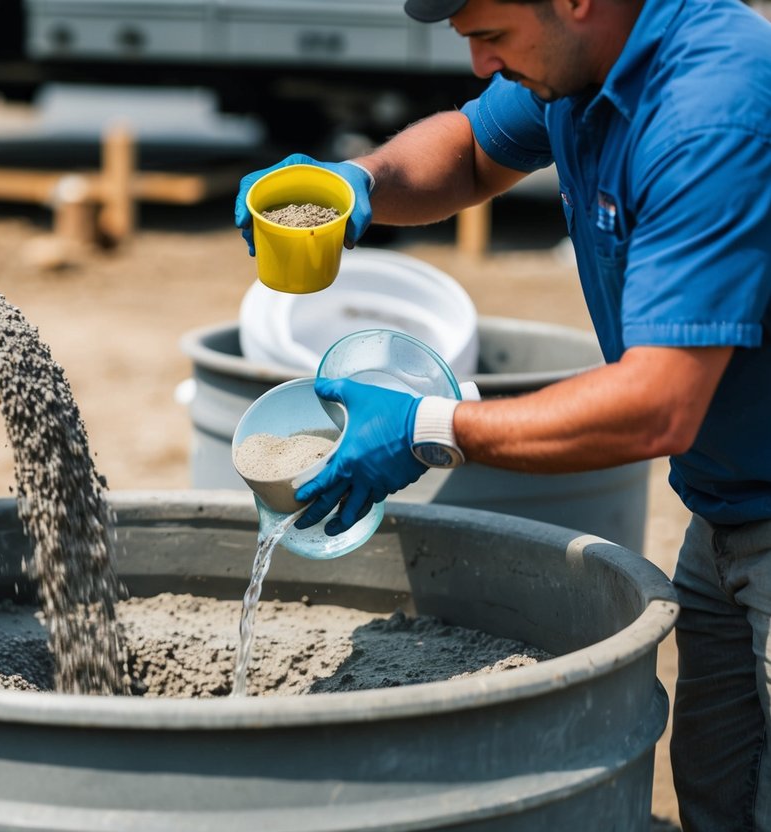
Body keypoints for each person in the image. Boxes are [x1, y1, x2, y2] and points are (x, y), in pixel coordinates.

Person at [234, 0, 771, 827]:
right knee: (717, 792)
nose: (481, 65)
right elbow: (471, 150)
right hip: (726, 508)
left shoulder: (709, 114)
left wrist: (431, 427)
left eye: (489, 36)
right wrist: (363, 184)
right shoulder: (578, 65)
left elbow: (658, 405)